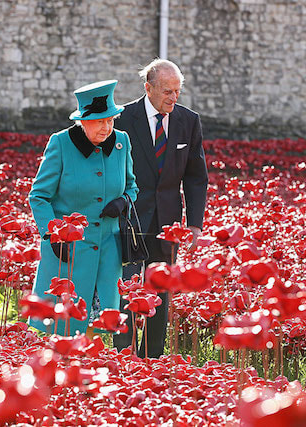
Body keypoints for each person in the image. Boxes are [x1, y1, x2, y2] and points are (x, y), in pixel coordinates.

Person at [113, 59, 208, 358]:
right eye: (167, 91)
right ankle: (124, 355)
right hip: (128, 219)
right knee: (126, 288)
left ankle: (152, 356)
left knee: (160, 292)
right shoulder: (123, 118)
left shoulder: (188, 121)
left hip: (168, 221)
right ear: (148, 88)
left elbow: (196, 177)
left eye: (177, 91)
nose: (173, 97)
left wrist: (194, 223)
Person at [28, 80, 138, 337]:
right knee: (64, 328)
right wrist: (52, 233)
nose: (107, 127)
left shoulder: (121, 142)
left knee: (97, 330)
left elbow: (132, 187)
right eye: (100, 121)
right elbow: (39, 196)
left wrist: (123, 201)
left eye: (111, 120)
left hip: (108, 252)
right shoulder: (61, 144)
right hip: (69, 252)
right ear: (83, 121)